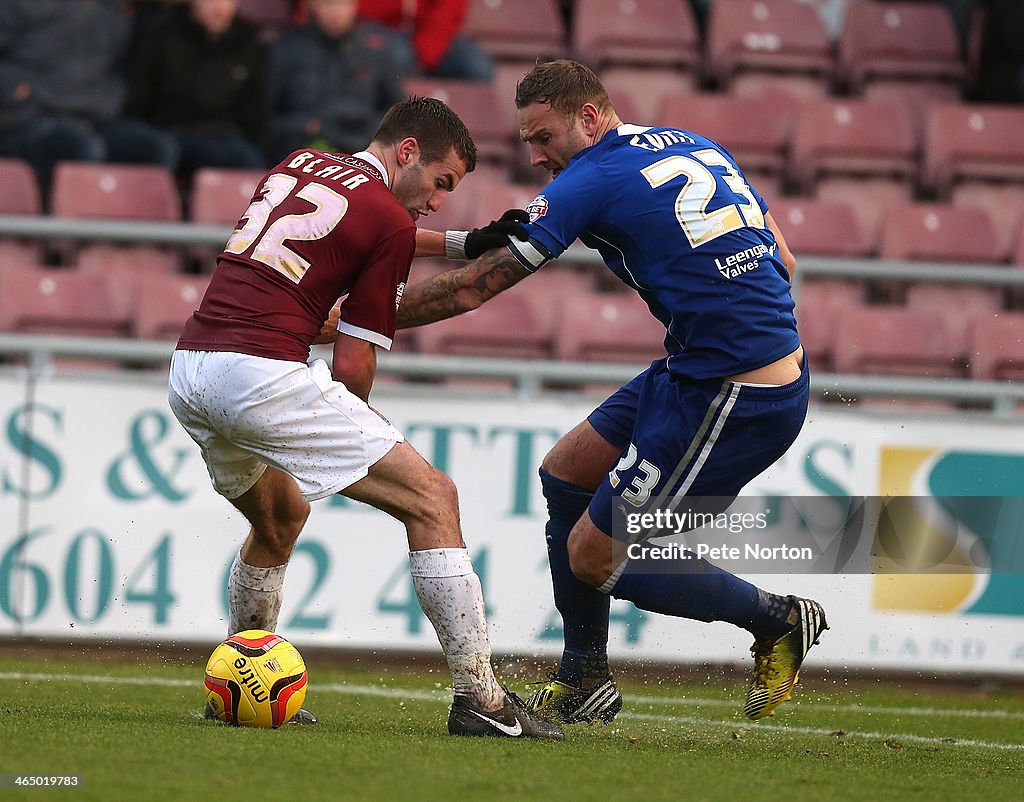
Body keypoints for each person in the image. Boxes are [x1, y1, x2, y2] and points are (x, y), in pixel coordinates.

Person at [400, 59, 829, 726]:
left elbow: (474, 285)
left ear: (591, 119)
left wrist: (355, 319)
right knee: (565, 473)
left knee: (594, 557)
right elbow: (786, 259)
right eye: (528, 142)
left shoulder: (592, 177)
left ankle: (775, 619)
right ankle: (585, 677)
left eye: (544, 138)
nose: (538, 157)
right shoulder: (692, 142)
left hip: (737, 391)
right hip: (701, 366)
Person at [167, 96, 562, 740]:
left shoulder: (302, 162)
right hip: (260, 376)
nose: (438, 202)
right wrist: (366, 431)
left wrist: (460, 243)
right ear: (407, 152)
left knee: (281, 518)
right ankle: (480, 697)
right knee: (433, 499)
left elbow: (362, 223)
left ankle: (244, 672)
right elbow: (353, 361)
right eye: (440, 184)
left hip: (191, 368)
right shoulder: (388, 221)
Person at [0, 0, 177, 182]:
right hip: (28, 115)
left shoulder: (119, 9)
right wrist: (13, 93)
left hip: (93, 115)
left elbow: (157, 34)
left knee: (153, 148)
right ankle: (53, 206)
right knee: (81, 147)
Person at [124, 0, 267, 174]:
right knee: (160, 149)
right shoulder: (162, 32)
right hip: (170, 131)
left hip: (225, 134)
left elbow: (256, 111)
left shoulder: (247, 40)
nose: (221, 8)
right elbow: (139, 100)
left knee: (253, 158)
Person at [268, 0, 404, 163]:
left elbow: (397, 110)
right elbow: (265, 117)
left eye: (342, 3)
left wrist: (373, 133)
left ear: (354, 5)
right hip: (306, 150)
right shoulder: (287, 50)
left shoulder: (373, 50)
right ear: (311, 6)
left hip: (365, 147)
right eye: (327, 3)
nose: (336, 11)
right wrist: (304, 126)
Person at [355, 0, 494, 82]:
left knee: (477, 66)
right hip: (384, 29)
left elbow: (449, 9)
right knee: (397, 59)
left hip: (429, 33)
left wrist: (425, 52)